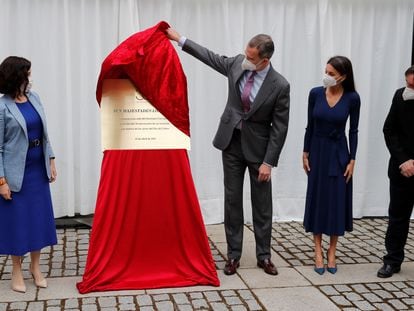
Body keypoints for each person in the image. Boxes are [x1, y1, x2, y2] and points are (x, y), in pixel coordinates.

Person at [166, 28, 290, 276]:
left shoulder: (280, 85)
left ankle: (263, 256)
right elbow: (210, 57)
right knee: (232, 202)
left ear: (265, 60)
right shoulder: (236, 63)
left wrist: (269, 162)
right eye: (246, 53)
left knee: (262, 206)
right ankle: (233, 255)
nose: (245, 59)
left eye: (251, 57)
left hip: (259, 151)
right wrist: (180, 39)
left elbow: (280, 127)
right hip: (231, 144)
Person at [0, 56, 57, 293]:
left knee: (38, 220)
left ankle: (36, 268)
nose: (30, 78)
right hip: (15, 175)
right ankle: (16, 271)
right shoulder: (2, 107)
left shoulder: (35, 98)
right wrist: (1, 181)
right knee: (18, 224)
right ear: (17, 76)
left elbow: (44, 134)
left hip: (38, 171)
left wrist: (51, 159)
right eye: (28, 74)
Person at [302, 56, 360, 275]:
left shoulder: (353, 98)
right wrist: (305, 152)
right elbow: (310, 125)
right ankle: (317, 250)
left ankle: (332, 251)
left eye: (331, 74)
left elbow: (353, 130)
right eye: (325, 71)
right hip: (317, 151)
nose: (326, 76)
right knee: (317, 198)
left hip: (339, 154)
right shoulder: (315, 94)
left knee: (336, 201)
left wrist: (352, 159)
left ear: (343, 77)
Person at [377, 65, 414, 278]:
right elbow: (389, 130)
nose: (408, 87)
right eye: (407, 83)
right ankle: (392, 260)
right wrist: (404, 161)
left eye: (413, 85)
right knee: (397, 218)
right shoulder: (399, 96)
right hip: (402, 169)